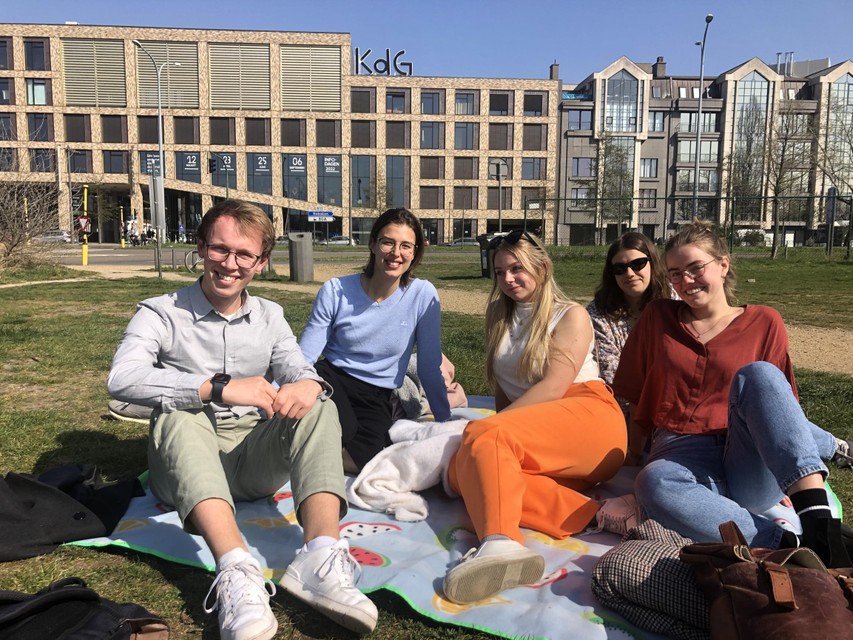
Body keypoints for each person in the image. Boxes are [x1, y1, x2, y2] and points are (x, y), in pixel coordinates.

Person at [107, 200, 378, 640]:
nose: (230, 264)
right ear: (200, 248)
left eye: (244, 255)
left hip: (253, 461)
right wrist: (216, 387)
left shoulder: (269, 315)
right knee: (180, 413)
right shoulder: (160, 311)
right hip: (183, 465)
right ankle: (236, 568)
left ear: (261, 262)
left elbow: (296, 366)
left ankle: (321, 556)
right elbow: (122, 378)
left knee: (319, 405)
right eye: (220, 249)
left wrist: (308, 384)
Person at [613, 221, 853, 568]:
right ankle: (790, 545)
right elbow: (636, 391)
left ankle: (819, 524)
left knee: (760, 374)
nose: (686, 281)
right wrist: (634, 453)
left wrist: (792, 478)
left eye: (696, 268)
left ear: (723, 265)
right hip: (681, 454)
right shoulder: (657, 318)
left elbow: (778, 406)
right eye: (676, 273)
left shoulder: (763, 322)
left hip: (748, 459)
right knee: (652, 482)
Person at [442, 229, 627, 604]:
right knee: (463, 468)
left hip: (590, 418)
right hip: (544, 429)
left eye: (517, 268)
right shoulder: (498, 313)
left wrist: (493, 430)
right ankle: (591, 515)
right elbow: (503, 388)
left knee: (483, 438)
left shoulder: (570, 315)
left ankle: (501, 542)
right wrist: (493, 436)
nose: (508, 279)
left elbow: (554, 388)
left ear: (542, 267)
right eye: (499, 271)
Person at [299, 208, 451, 474]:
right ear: (373, 244)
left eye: (406, 245)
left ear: (415, 252)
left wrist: (444, 420)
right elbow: (305, 356)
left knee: (370, 458)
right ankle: (299, 447)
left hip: (376, 393)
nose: (396, 253)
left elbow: (428, 367)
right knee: (339, 428)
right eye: (388, 242)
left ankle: (305, 454)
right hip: (332, 379)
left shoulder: (423, 295)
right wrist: (279, 392)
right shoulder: (336, 290)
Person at [586, 232, 671, 388]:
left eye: (638, 264)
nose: (629, 274)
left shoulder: (674, 302)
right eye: (620, 268)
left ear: (652, 263)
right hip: (621, 405)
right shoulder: (598, 313)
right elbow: (612, 373)